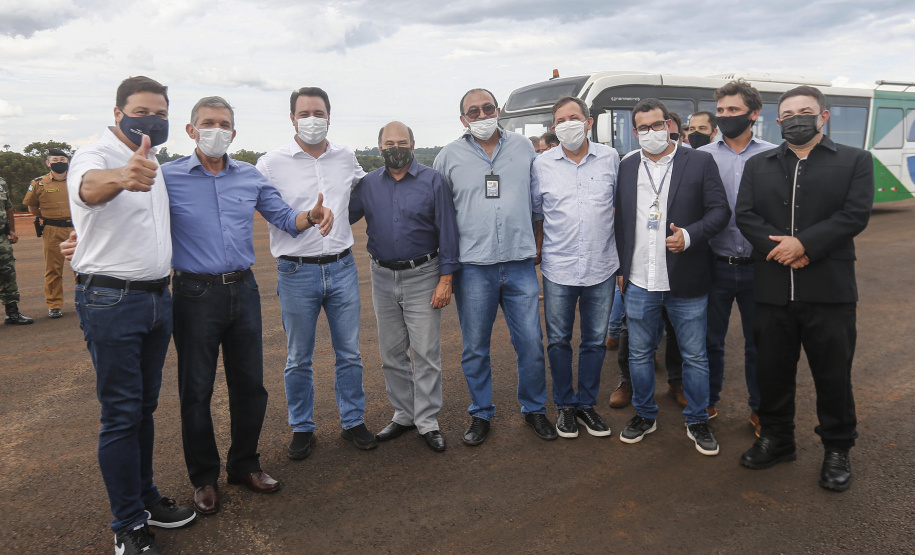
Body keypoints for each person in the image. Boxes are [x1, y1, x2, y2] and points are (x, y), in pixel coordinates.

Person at [165, 97, 331, 514]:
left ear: (234, 133)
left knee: (250, 386)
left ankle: (244, 464)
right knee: (196, 389)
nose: (216, 130)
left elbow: (283, 218)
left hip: (243, 289)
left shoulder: (249, 177)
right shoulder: (166, 179)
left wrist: (310, 216)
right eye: (208, 123)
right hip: (194, 294)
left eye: (224, 124)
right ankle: (203, 477)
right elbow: (134, 219)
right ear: (191, 130)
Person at [67, 76, 194, 555]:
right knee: (121, 413)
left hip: (157, 299)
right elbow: (87, 187)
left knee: (143, 408)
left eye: (161, 112)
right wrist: (121, 175)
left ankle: (144, 497)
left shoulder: (153, 159)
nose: (154, 120)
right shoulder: (97, 155)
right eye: (143, 111)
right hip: (112, 301)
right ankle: (127, 526)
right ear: (118, 112)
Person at [736, 85, 873, 492]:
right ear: (777, 121)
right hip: (772, 290)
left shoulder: (854, 160)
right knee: (772, 371)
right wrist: (782, 251)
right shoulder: (758, 165)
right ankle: (777, 439)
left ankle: (837, 449)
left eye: (805, 111)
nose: (797, 118)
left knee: (833, 375)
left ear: (823, 116)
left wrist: (805, 245)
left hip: (829, 291)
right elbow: (745, 215)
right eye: (789, 113)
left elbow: (854, 214)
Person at [256, 86, 377, 456]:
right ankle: (302, 425)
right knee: (298, 356)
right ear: (292, 118)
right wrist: (308, 217)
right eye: (305, 114)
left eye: (318, 113)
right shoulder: (270, 163)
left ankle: (353, 420)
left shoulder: (345, 157)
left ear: (329, 116)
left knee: (350, 353)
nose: (312, 120)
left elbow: (366, 191)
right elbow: (266, 209)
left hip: (341, 267)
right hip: (296, 271)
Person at [433, 88, 556, 445]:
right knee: (475, 346)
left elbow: (536, 202)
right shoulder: (447, 156)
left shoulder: (523, 148)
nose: (482, 115)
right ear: (463, 119)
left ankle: (534, 409)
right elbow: (441, 212)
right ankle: (481, 413)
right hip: (473, 267)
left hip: (519, 263)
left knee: (531, 342)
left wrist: (538, 241)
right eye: (473, 111)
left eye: (488, 108)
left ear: (498, 110)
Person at [614, 98, 730, 456]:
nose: (651, 132)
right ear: (635, 132)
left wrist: (690, 235)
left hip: (686, 279)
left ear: (669, 125)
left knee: (695, 356)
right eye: (644, 127)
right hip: (639, 280)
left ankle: (697, 419)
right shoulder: (627, 165)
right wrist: (621, 268)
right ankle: (645, 414)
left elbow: (720, 210)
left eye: (657, 124)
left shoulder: (699, 161)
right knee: (638, 354)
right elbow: (620, 219)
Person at [349, 122, 459, 452]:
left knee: (425, 353)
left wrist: (446, 278)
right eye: (388, 142)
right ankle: (404, 414)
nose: (395, 147)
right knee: (391, 354)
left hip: (424, 273)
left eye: (402, 141)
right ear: (379, 147)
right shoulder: (368, 185)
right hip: (382, 275)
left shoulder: (433, 181)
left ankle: (427, 421)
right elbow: (341, 218)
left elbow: (449, 232)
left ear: (413, 144)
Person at [532, 96, 619, 438]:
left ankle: (586, 405)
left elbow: (621, 210)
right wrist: (537, 250)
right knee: (558, 340)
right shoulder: (542, 165)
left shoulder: (611, 159)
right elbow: (538, 214)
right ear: (554, 128)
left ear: (588, 121)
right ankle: (565, 406)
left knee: (595, 342)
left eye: (574, 117)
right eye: (560, 120)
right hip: (559, 266)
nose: (567, 124)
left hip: (602, 264)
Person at [697, 81, 776, 433]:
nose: (726, 116)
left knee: (759, 343)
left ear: (753, 114)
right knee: (709, 341)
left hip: (761, 266)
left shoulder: (775, 154)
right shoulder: (702, 157)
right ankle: (708, 401)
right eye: (722, 110)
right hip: (714, 265)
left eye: (734, 110)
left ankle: (760, 408)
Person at [23, 147, 74, 318]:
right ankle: (54, 305)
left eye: (62, 160)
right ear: (48, 163)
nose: (59, 163)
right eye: (55, 160)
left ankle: (84, 299)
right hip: (52, 229)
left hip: (77, 229)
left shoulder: (77, 180)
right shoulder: (39, 183)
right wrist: (49, 217)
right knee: (53, 269)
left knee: (82, 266)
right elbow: (32, 207)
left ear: (68, 161)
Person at [1, 177, 34, 325]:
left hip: (1, 238)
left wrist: (12, 230)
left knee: (8, 274)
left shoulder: (1, 182)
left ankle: (12, 313)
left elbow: (8, 206)